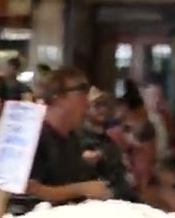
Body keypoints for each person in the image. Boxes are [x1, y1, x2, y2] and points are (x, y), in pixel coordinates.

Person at [26, 67, 111, 205]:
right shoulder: (34, 135)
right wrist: (82, 189)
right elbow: (29, 190)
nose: (88, 100)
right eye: (82, 89)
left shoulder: (71, 137)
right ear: (57, 96)